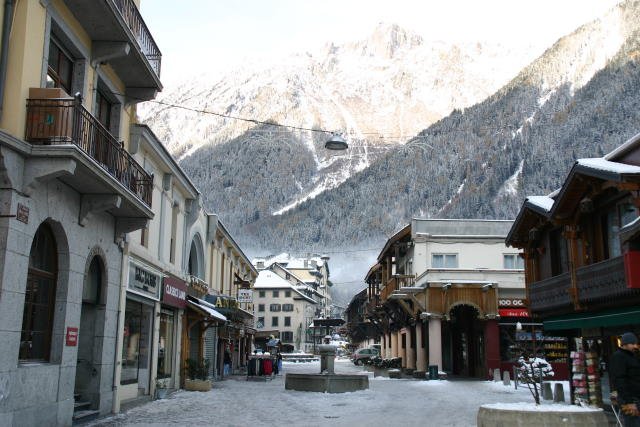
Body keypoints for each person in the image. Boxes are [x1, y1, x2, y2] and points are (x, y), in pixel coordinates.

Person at [610, 332, 640, 426]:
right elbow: (619, 380)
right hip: (629, 399)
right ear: (625, 344)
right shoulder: (619, 356)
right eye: (633, 344)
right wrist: (628, 401)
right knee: (633, 423)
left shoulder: (632, 355)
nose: (635, 346)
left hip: (636, 397)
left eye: (636, 343)